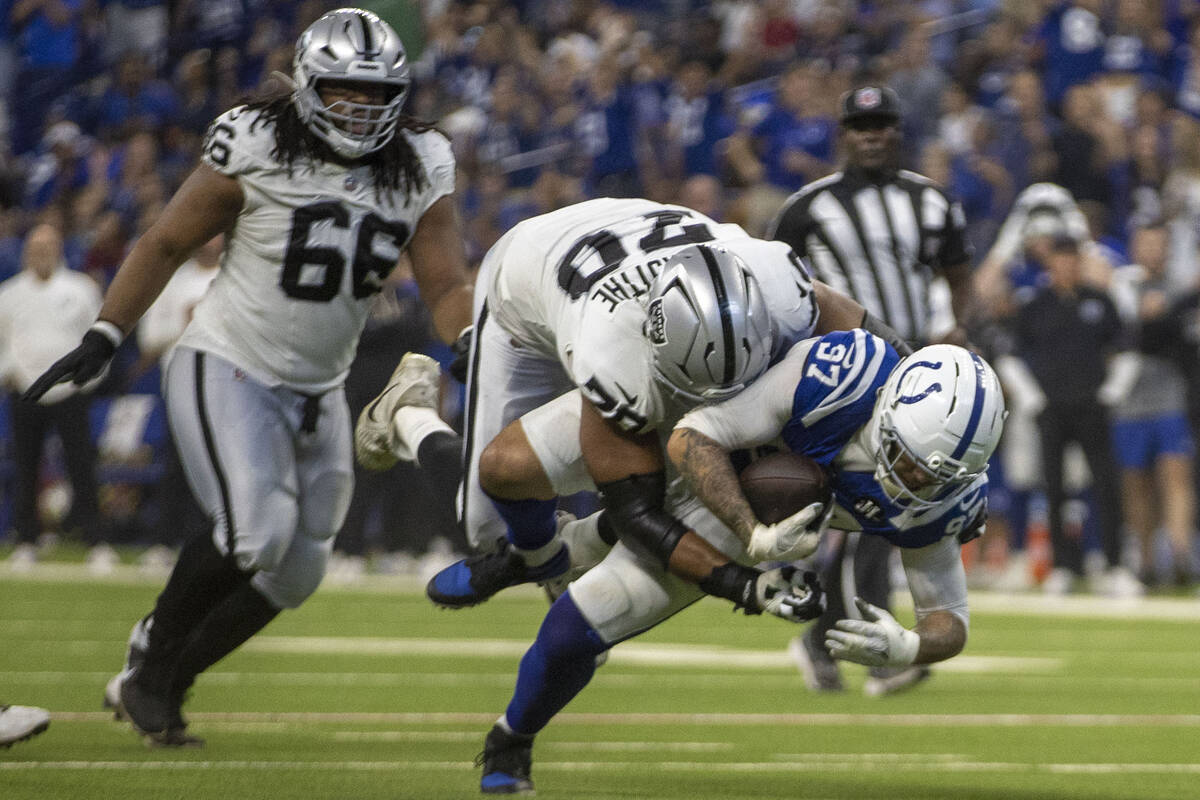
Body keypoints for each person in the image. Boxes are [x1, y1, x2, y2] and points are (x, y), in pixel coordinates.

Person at [24, 8, 473, 747]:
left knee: (299, 571)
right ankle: (151, 659)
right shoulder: (258, 138)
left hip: (319, 386)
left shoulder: (419, 161)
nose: (361, 108)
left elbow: (446, 284)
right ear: (307, 87)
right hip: (229, 362)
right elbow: (166, 240)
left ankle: (164, 679)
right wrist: (107, 332)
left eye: (376, 94)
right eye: (344, 91)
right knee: (255, 531)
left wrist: (469, 344)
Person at [468, 332, 1004, 794]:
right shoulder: (844, 377)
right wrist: (755, 533)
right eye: (911, 462)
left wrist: (909, 647)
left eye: (939, 478)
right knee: (505, 471)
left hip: (744, 513)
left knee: (579, 626)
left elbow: (949, 617)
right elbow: (695, 436)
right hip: (692, 423)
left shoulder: (944, 499)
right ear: (888, 409)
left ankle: (510, 739)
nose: (919, 484)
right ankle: (549, 547)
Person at [354, 196, 908, 615]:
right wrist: (743, 582)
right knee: (489, 522)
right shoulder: (611, 351)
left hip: (635, 240)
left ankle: (560, 552)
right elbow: (635, 512)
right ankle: (410, 417)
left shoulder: (776, 281)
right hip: (526, 283)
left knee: (704, 463)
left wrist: (929, 385)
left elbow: (883, 345)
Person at [765, 85, 974, 695]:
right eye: (861, 126)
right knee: (866, 513)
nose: (872, 135)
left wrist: (958, 327)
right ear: (844, 135)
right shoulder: (808, 208)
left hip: (912, 376)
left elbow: (959, 272)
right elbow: (775, 286)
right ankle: (860, 646)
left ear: (898, 130)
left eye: (882, 123)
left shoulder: (930, 201)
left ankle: (833, 641)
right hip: (838, 380)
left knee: (886, 510)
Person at [1012, 233, 1141, 597]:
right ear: (1051, 263)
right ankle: (1062, 566)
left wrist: (1112, 393)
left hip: (1090, 407)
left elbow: (1126, 347)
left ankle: (1114, 564)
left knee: (1106, 485)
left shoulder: (1099, 300)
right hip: (1052, 408)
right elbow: (1012, 353)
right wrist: (1032, 399)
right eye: (1061, 259)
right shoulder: (1035, 305)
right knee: (1053, 488)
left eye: (1072, 260)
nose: (1067, 267)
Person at [0, 223, 105, 568]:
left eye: (47, 248)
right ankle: (26, 539)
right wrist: (10, 373)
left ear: (58, 250)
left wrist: (86, 380)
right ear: (26, 253)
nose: (41, 254)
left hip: (70, 390)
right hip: (25, 389)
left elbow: (97, 336)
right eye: (35, 248)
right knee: (26, 466)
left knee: (81, 465)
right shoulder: (9, 294)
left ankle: (94, 540)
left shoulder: (81, 289)